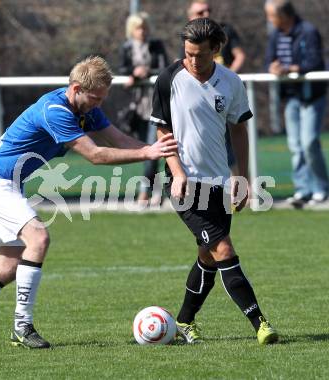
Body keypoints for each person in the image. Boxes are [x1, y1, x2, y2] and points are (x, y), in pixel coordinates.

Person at [0, 56, 178, 350]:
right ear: (76, 88)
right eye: (95, 98)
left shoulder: (86, 107)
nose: (99, 103)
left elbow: (119, 139)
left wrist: (159, 150)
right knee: (39, 237)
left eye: (102, 98)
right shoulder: (56, 110)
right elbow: (95, 155)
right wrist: (147, 154)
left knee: (8, 267)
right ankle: (22, 327)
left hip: (8, 182)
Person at [150, 18, 278, 344]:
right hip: (184, 184)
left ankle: (183, 322)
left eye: (200, 55)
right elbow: (162, 130)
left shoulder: (232, 82)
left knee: (208, 256)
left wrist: (243, 178)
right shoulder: (169, 79)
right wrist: (177, 173)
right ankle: (260, 323)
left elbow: (239, 127)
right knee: (223, 248)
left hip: (219, 183)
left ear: (216, 50)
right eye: (188, 53)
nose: (192, 61)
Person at [265, 0, 329, 208]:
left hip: (311, 96)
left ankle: (321, 188)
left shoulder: (308, 31)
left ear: (283, 15)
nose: (269, 20)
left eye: (271, 15)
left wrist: (292, 68)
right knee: (295, 146)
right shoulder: (276, 34)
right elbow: (269, 60)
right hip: (291, 97)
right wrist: (274, 68)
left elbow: (316, 62)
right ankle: (303, 190)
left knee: (309, 142)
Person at [186, 0, 247, 176]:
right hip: (200, 97)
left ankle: (241, 183)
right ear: (190, 16)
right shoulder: (188, 36)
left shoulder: (225, 30)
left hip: (224, 95)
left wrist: (226, 78)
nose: (206, 14)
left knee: (233, 138)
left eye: (208, 10)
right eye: (200, 12)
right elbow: (179, 63)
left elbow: (240, 56)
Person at [119, 12, 168, 206]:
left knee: (153, 147)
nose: (143, 31)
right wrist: (133, 74)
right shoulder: (127, 47)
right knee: (146, 150)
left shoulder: (157, 45)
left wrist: (147, 72)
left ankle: (145, 191)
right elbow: (122, 70)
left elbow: (165, 68)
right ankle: (156, 190)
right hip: (137, 106)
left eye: (145, 27)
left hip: (156, 104)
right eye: (139, 27)